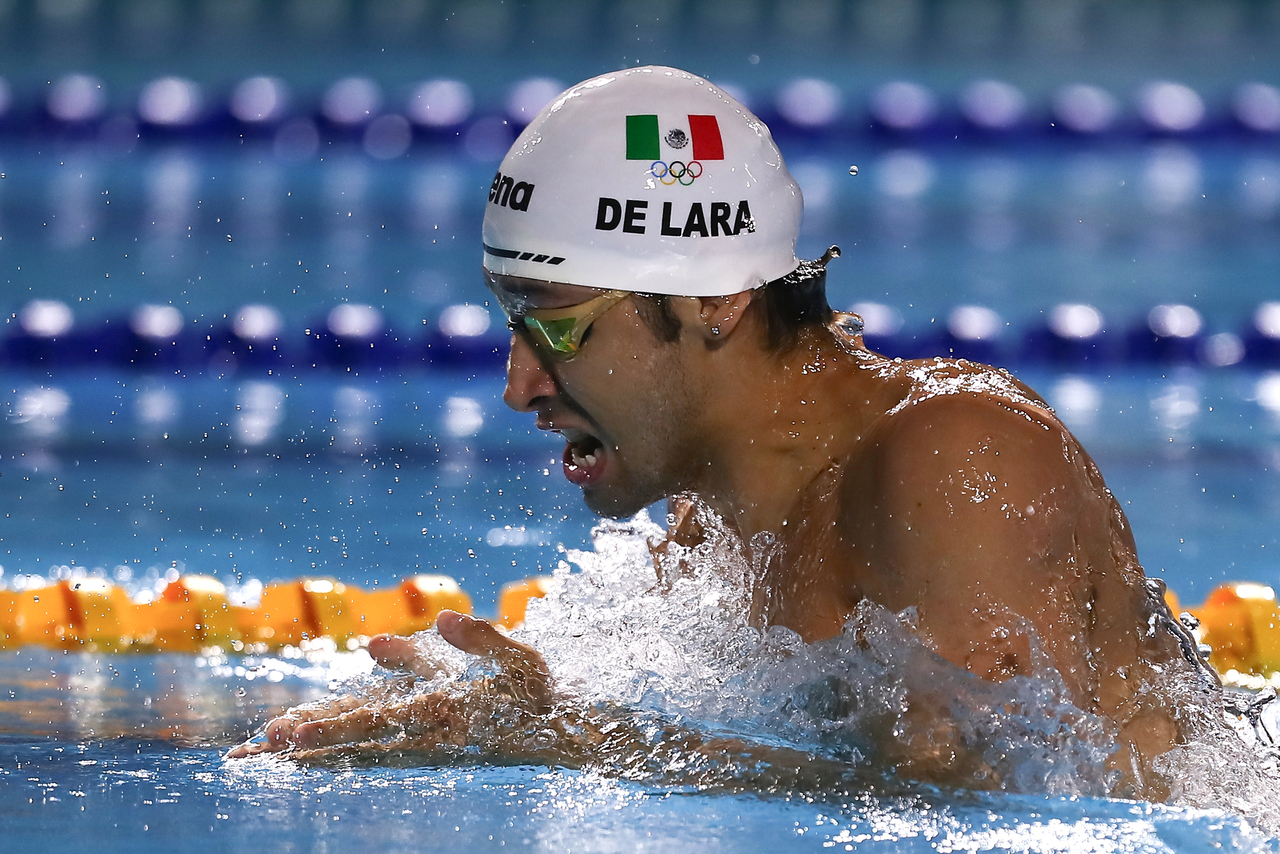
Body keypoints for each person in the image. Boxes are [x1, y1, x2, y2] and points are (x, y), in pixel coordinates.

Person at [229, 67, 1217, 798]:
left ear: (715, 301)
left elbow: (996, 803)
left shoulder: (952, 459)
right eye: (510, 322)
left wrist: (572, 738)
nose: (518, 383)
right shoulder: (716, 527)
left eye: (557, 324)